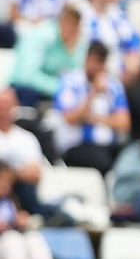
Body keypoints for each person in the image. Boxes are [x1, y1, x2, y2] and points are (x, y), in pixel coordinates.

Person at [53, 39, 130, 174]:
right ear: (86, 58)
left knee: (131, 155)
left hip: (109, 145)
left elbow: (124, 123)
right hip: (77, 145)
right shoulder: (70, 81)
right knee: (103, 162)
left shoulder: (114, 84)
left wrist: (93, 118)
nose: (98, 67)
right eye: (95, 61)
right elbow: (71, 118)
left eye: (102, 62)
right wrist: (93, 93)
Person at [0, 88, 47, 210]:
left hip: (21, 193)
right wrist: (16, 172)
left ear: (14, 107)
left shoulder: (27, 138)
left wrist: (8, 175)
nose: (2, 110)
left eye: (5, 106)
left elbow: (35, 173)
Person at [11, 2, 87, 106]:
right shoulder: (40, 35)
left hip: (53, 91)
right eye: (69, 22)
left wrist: (71, 50)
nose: (72, 28)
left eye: (76, 24)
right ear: (60, 20)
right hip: (24, 88)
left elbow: (76, 72)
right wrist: (61, 87)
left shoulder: (78, 40)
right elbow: (27, 75)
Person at [79, 0, 140, 78]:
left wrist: (133, 60)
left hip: (121, 78)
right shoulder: (80, 14)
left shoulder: (117, 14)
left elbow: (133, 43)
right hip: (89, 76)